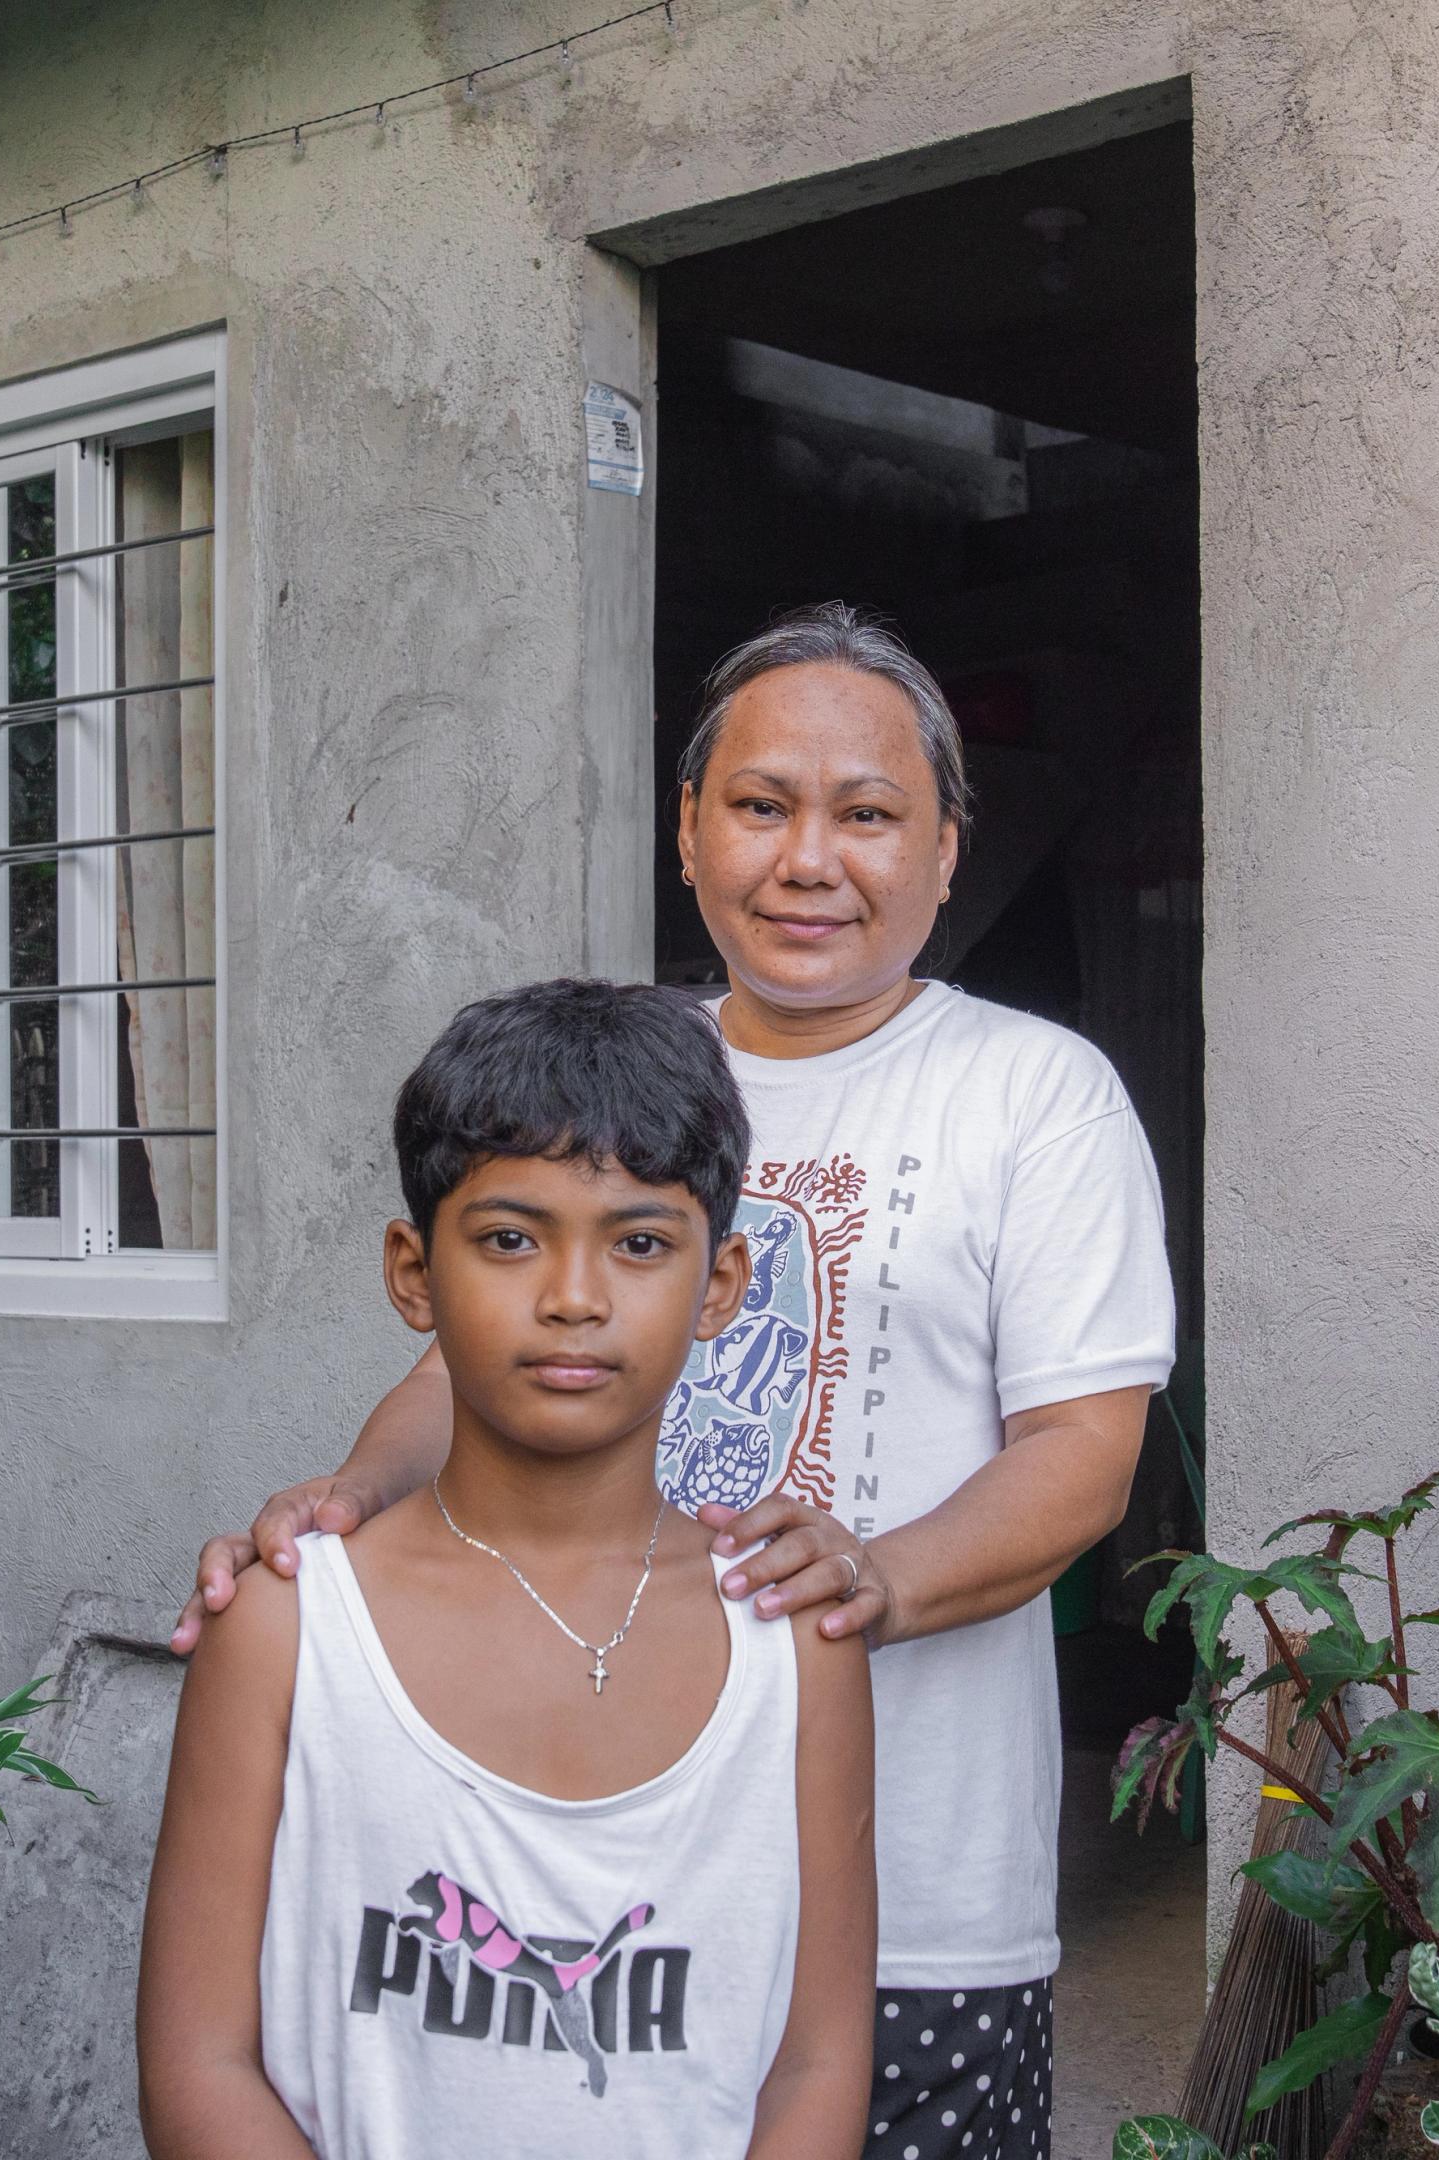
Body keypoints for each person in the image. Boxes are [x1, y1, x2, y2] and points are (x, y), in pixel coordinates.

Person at [176, 603, 1176, 2160]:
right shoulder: (624, 1073)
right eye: (763, 805)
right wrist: (345, 1502)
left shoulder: (1032, 1094)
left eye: (868, 814)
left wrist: (856, 1586)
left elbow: (1084, 1460)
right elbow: (474, 1363)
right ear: (692, 830)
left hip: (919, 1885)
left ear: (946, 850)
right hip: (589, 1862)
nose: (809, 858)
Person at [139, 980, 877, 2160]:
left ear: (722, 1285)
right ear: (413, 1270)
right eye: (509, 1239)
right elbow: (197, 2064)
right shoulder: (289, 1628)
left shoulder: (791, 1642)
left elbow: (818, 2061)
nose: (574, 1298)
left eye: (639, 1243)